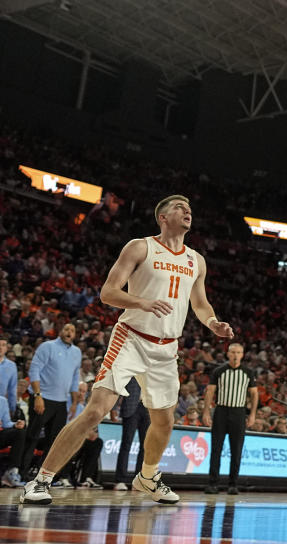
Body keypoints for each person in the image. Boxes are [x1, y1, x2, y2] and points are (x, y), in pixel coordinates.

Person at [19, 195, 233, 505]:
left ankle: (147, 477)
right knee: (95, 411)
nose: (187, 211)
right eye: (179, 207)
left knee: (165, 421)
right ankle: (41, 480)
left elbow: (199, 303)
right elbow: (108, 292)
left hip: (166, 348)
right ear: (162, 217)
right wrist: (141, 302)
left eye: (189, 208)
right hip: (131, 337)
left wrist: (212, 322)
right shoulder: (140, 247)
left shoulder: (196, 260)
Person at [22, 324, 82, 482]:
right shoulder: (47, 346)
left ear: (75, 335)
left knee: (54, 442)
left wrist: (74, 402)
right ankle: (20, 473)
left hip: (61, 403)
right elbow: (34, 370)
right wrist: (37, 395)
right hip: (43, 398)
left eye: (72, 330)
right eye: (66, 329)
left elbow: (75, 378)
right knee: (32, 438)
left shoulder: (77, 352)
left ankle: (41, 478)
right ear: (60, 331)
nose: (69, 332)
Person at [204, 343, 257, 494]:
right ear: (228, 354)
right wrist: (206, 412)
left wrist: (252, 414)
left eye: (238, 352)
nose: (235, 355)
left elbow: (254, 394)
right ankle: (213, 483)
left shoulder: (248, 372)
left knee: (237, 450)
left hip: (239, 412)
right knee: (216, 449)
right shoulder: (219, 371)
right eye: (233, 352)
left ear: (242, 354)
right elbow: (210, 392)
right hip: (221, 410)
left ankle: (233, 484)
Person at [113, 378, 150, 491]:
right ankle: (120, 480)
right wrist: (113, 408)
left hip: (148, 409)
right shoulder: (131, 365)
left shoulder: (154, 368)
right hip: (131, 407)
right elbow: (119, 387)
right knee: (126, 444)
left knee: (145, 447)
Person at [0, 392, 26, 488]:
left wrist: (15, 424)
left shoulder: (2, 401)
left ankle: (12, 471)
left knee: (20, 432)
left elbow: (6, 423)